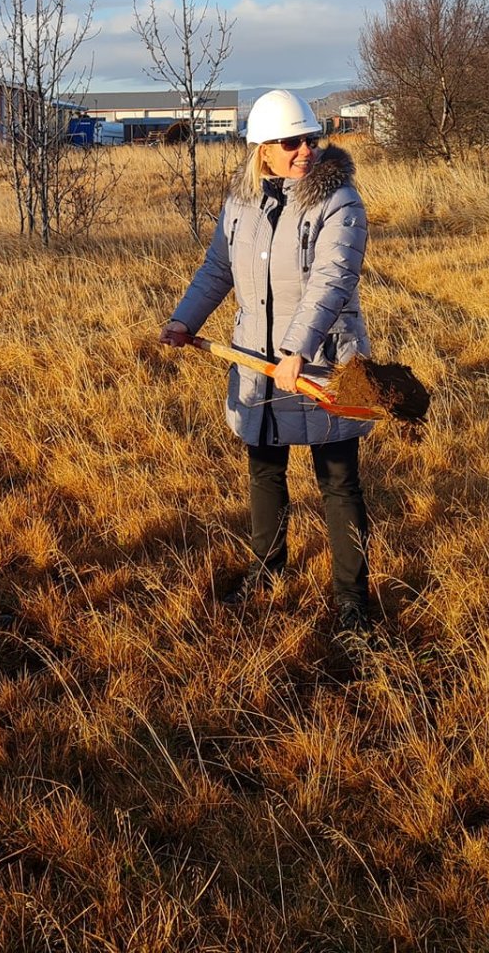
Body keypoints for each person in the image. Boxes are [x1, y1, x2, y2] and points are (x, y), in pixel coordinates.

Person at [161, 88, 377, 641]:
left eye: (309, 138)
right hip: (257, 361)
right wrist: (186, 319)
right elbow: (217, 268)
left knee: (338, 480)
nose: (305, 149)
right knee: (264, 470)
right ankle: (267, 570)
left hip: (326, 363)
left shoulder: (340, 201)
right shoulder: (240, 202)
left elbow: (334, 280)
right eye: (291, 142)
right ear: (262, 149)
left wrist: (298, 350)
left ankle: (353, 601)